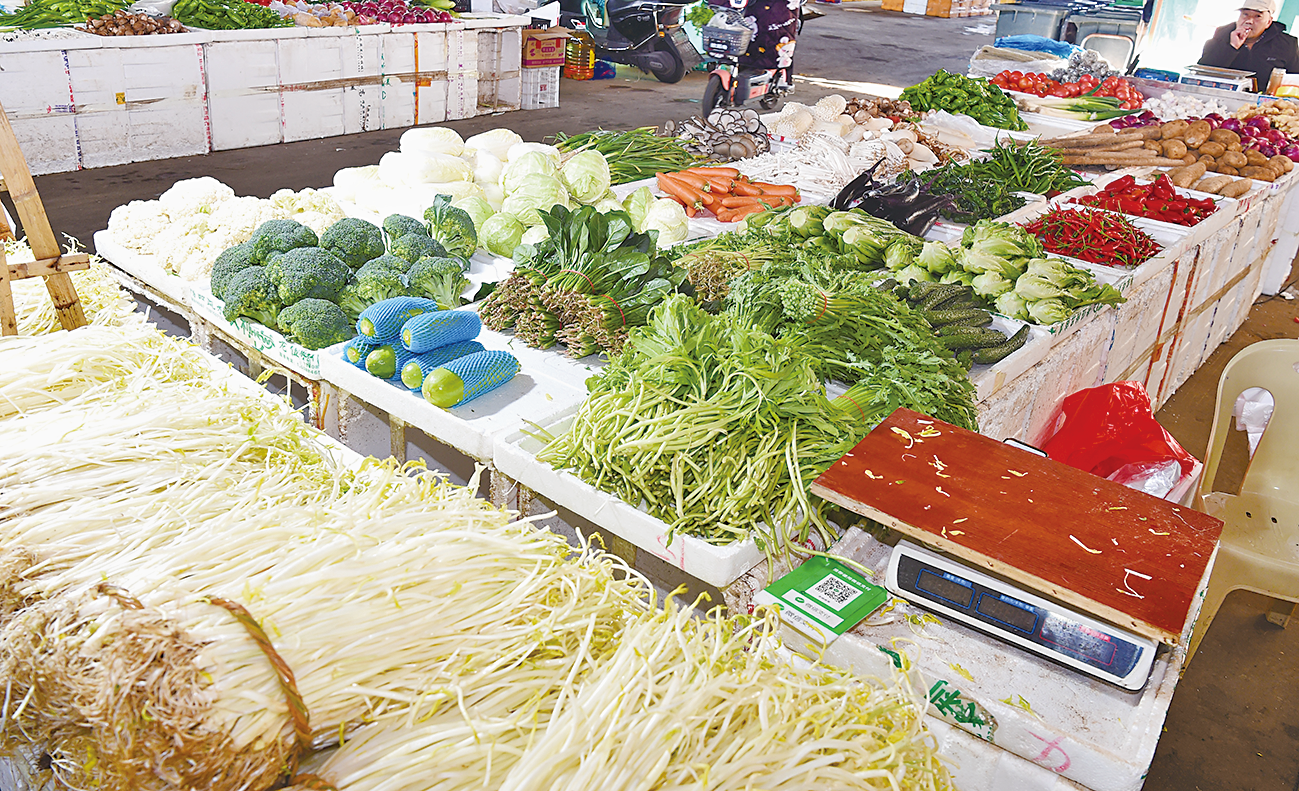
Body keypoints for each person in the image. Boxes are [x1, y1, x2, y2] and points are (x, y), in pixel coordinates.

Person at [1199, 0, 1299, 91]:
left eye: (1257, 16)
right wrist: (1232, 47)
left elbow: (1294, 80)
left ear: (1268, 22)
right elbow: (1202, 73)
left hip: (1264, 102)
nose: (1249, 21)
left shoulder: (1287, 44)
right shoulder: (1221, 35)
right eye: (1245, 14)